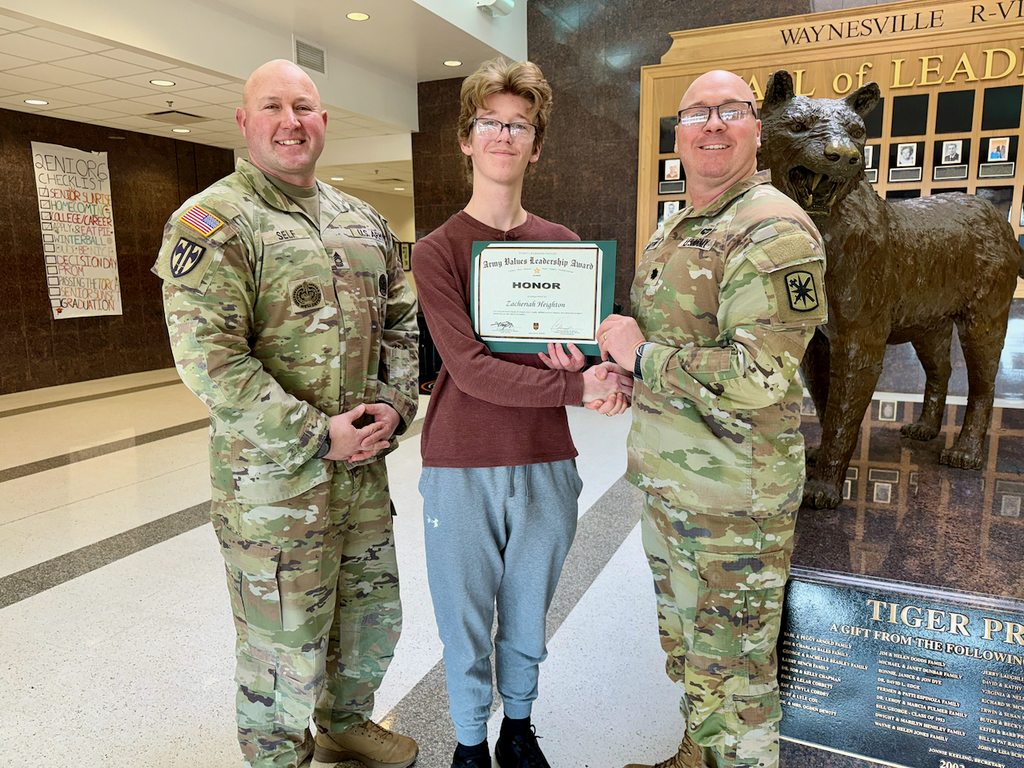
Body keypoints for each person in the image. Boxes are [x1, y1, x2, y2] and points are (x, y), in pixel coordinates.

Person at [153, 59, 420, 768]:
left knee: (368, 618)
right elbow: (210, 361)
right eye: (272, 106)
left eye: (304, 107)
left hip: (360, 476)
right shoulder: (214, 223)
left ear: (324, 121)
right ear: (244, 122)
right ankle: (277, 756)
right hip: (274, 488)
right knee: (282, 635)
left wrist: (394, 408)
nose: (290, 120)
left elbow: (402, 325)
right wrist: (315, 434)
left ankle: (345, 721)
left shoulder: (362, 220)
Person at [597, 70, 828, 768]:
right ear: (679, 133)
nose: (713, 125)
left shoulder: (773, 229)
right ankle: (697, 756)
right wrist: (626, 375)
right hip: (676, 487)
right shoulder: (679, 225)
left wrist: (643, 361)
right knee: (692, 648)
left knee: (737, 675)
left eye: (732, 111)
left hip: (735, 502)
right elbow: (674, 346)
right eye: (698, 113)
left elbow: (758, 376)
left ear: (758, 129)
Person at [411, 57, 632, 768]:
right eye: (489, 124)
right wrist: (575, 387)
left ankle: (519, 727)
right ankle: (471, 740)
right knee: (464, 617)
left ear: (535, 146)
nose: (504, 135)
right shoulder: (437, 251)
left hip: (544, 461)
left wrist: (575, 370)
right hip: (461, 461)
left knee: (529, 612)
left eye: (519, 125)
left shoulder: (566, 250)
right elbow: (469, 370)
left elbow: (561, 358)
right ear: (467, 141)